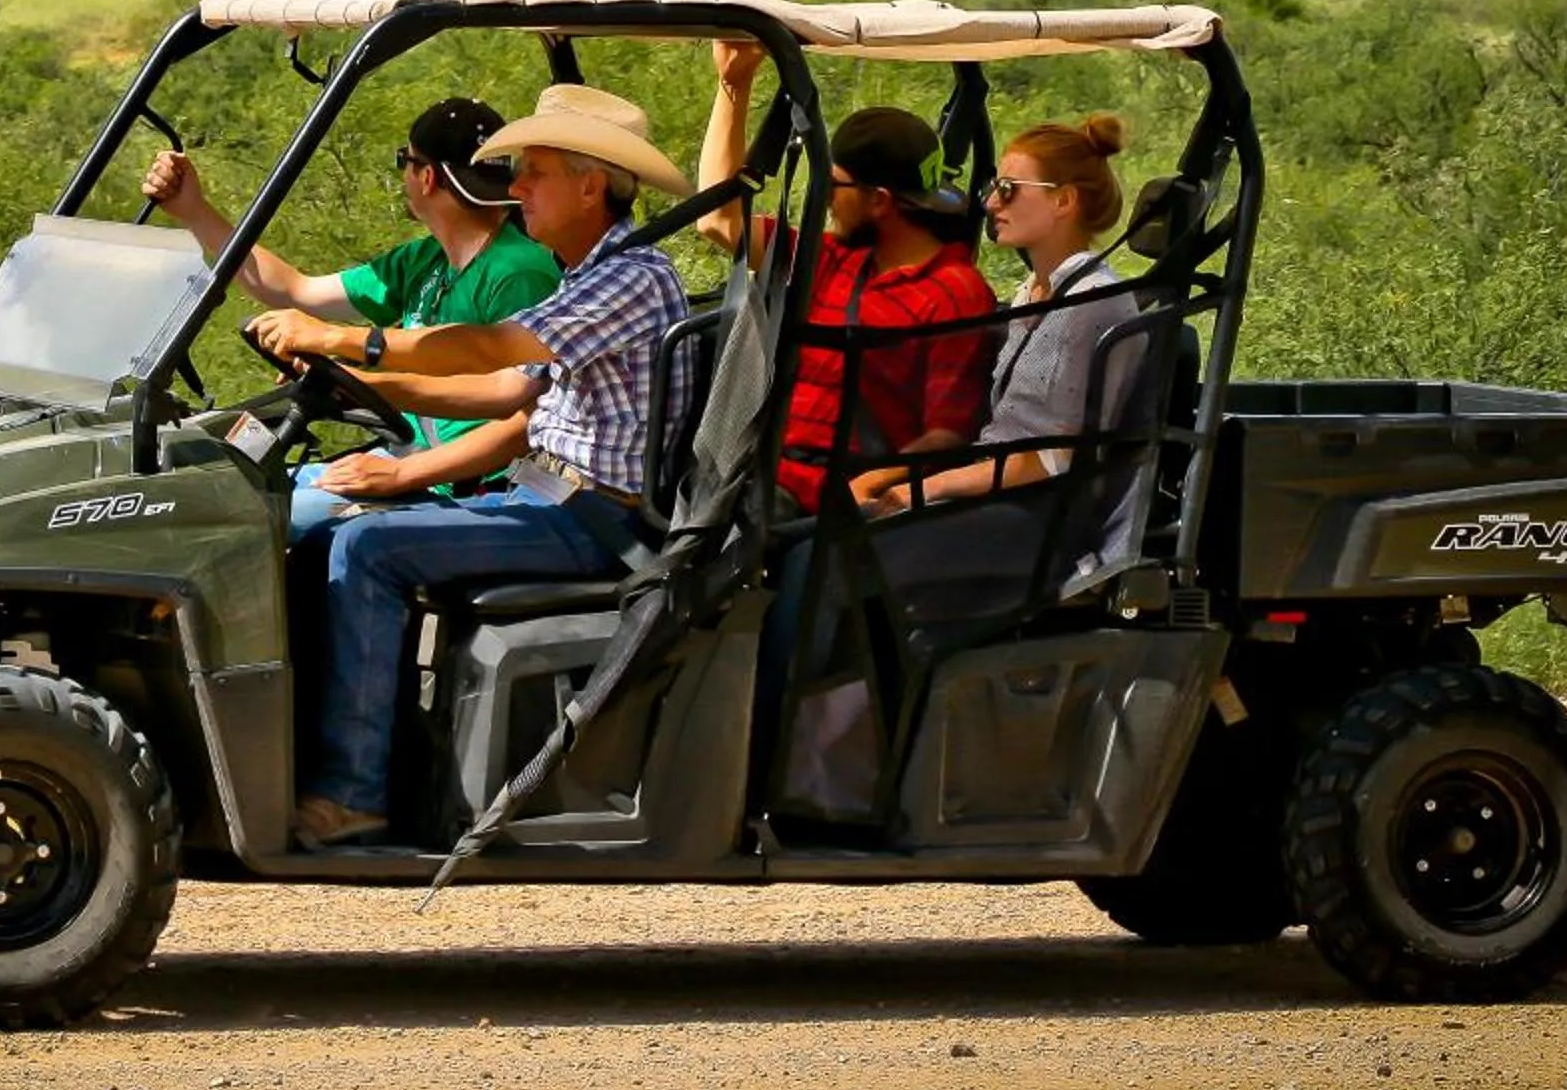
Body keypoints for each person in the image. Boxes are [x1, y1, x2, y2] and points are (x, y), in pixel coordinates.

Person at [242, 83, 694, 849]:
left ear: (591, 185)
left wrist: (347, 342)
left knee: (364, 544)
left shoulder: (630, 276)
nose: (514, 190)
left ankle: (353, 794)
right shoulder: (587, 270)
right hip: (550, 495)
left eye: (534, 172)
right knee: (322, 536)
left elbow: (490, 348)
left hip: (594, 518)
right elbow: (496, 388)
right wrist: (362, 382)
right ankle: (323, 759)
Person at [142, 99, 563, 534]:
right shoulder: (426, 261)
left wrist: (396, 458)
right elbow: (294, 290)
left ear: (426, 176)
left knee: (249, 524)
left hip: (465, 486)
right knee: (224, 492)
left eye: (405, 161)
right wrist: (193, 211)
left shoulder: (518, 272)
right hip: (410, 460)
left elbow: (522, 417)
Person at [695, 43, 997, 515]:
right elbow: (717, 220)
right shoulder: (833, 257)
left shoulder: (954, 292)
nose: (826, 200)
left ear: (879, 200)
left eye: (833, 187)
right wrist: (733, 87)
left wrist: (871, 486)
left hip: (837, 500)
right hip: (762, 477)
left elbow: (947, 432)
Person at [851, 114, 1143, 516]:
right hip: (995, 495)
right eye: (994, 188)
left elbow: (1052, 460)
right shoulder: (1033, 293)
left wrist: (923, 489)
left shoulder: (1091, 302)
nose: (991, 202)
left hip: (1037, 513)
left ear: (1063, 201)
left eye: (1008, 190)